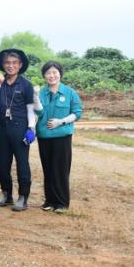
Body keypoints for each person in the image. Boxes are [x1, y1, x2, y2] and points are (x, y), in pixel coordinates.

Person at [0, 48, 36, 212]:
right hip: (2, 127)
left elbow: (30, 109)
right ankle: (6, 195)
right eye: (7, 63)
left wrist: (31, 129)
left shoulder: (26, 84)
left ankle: (23, 197)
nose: (10, 66)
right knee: (2, 163)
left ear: (20, 65)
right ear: (2, 64)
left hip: (20, 127)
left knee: (22, 164)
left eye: (14, 63)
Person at [34, 61, 83, 213]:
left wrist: (61, 121)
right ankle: (49, 201)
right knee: (48, 168)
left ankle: (61, 203)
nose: (52, 75)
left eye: (55, 72)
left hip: (62, 136)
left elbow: (77, 112)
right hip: (44, 136)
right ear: (44, 76)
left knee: (60, 169)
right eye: (48, 73)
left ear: (60, 74)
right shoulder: (41, 92)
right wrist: (35, 98)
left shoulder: (69, 92)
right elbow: (38, 112)